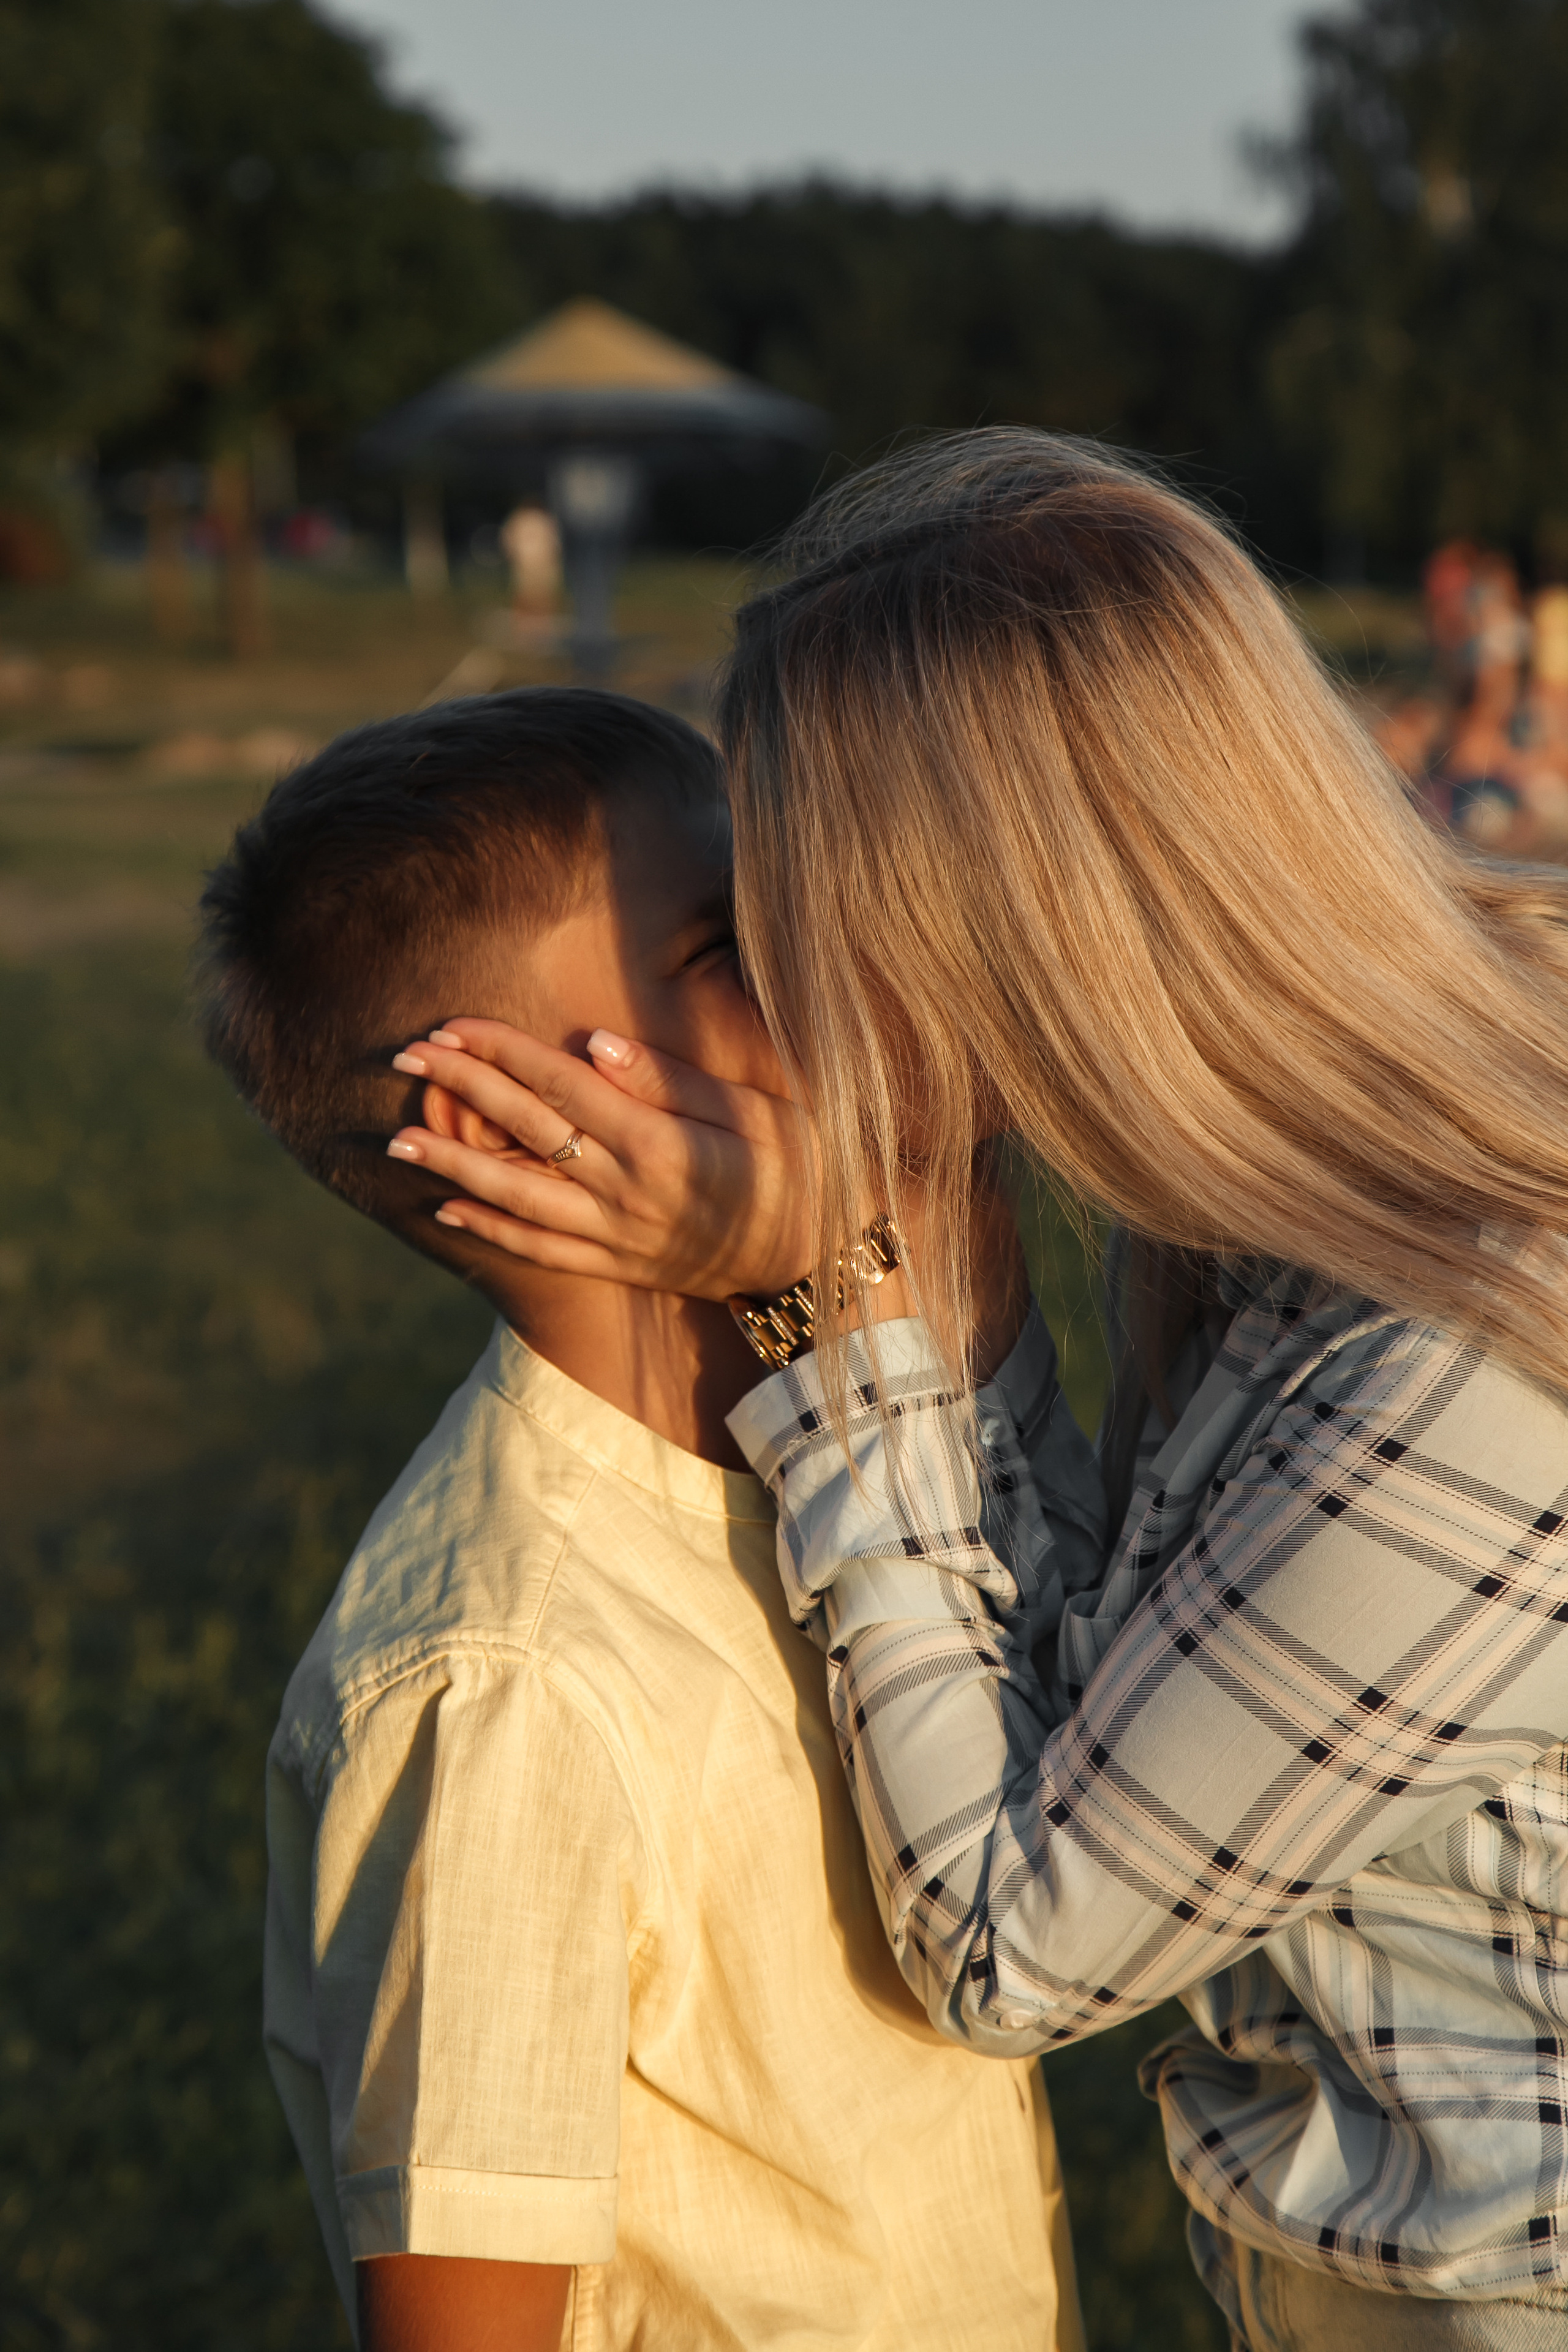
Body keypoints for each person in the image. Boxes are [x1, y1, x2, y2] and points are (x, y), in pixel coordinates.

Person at [395, 437, 1568, 2350]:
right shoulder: (1326, 1157)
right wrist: (930, 1247)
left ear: (1011, 924)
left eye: (808, 911)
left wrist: (831, 1305)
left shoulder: (1472, 1366)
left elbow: (1017, 1940)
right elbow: (1119, 1666)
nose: (796, 985)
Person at [195, 687, 1080, 2352]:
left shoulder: (817, 1446)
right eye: (733, 945)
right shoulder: (502, 1681)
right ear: (494, 1119)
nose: (831, 966)